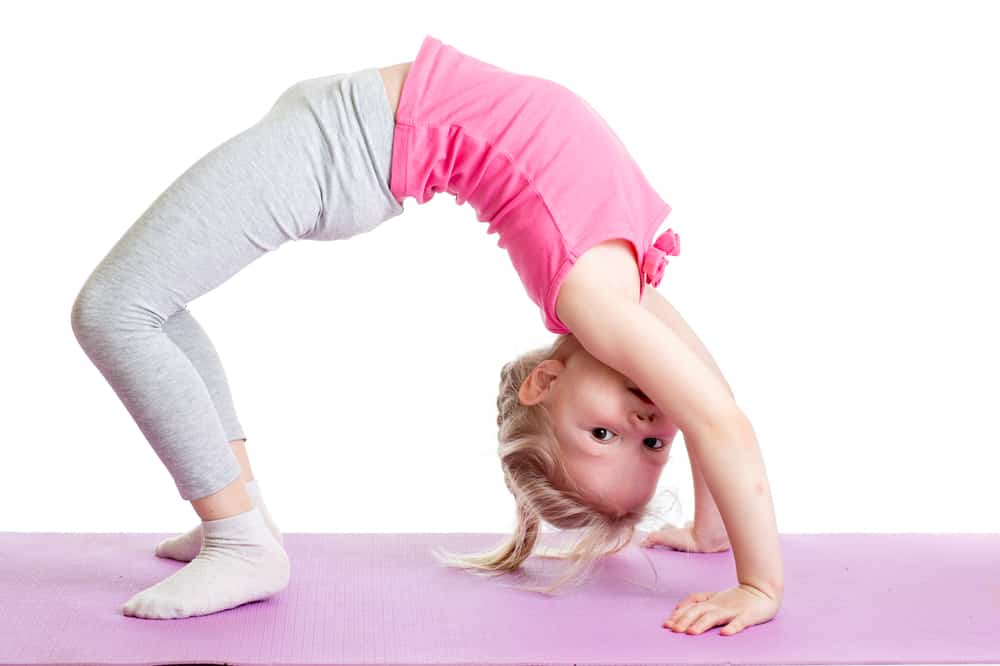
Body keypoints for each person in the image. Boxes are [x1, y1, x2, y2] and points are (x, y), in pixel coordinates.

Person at [72, 35, 783, 635]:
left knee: (116, 308)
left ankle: (240, 538)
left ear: (548, 383)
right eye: (649, 442)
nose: (640, 422)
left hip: (339, 148)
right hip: (346, 133)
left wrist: (759, 589)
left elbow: (714, 418)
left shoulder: (594, 301)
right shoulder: (621, 294)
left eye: (608, 438)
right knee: (151, 307)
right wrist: (713, 532)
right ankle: (241, 511)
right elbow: (714, 404)